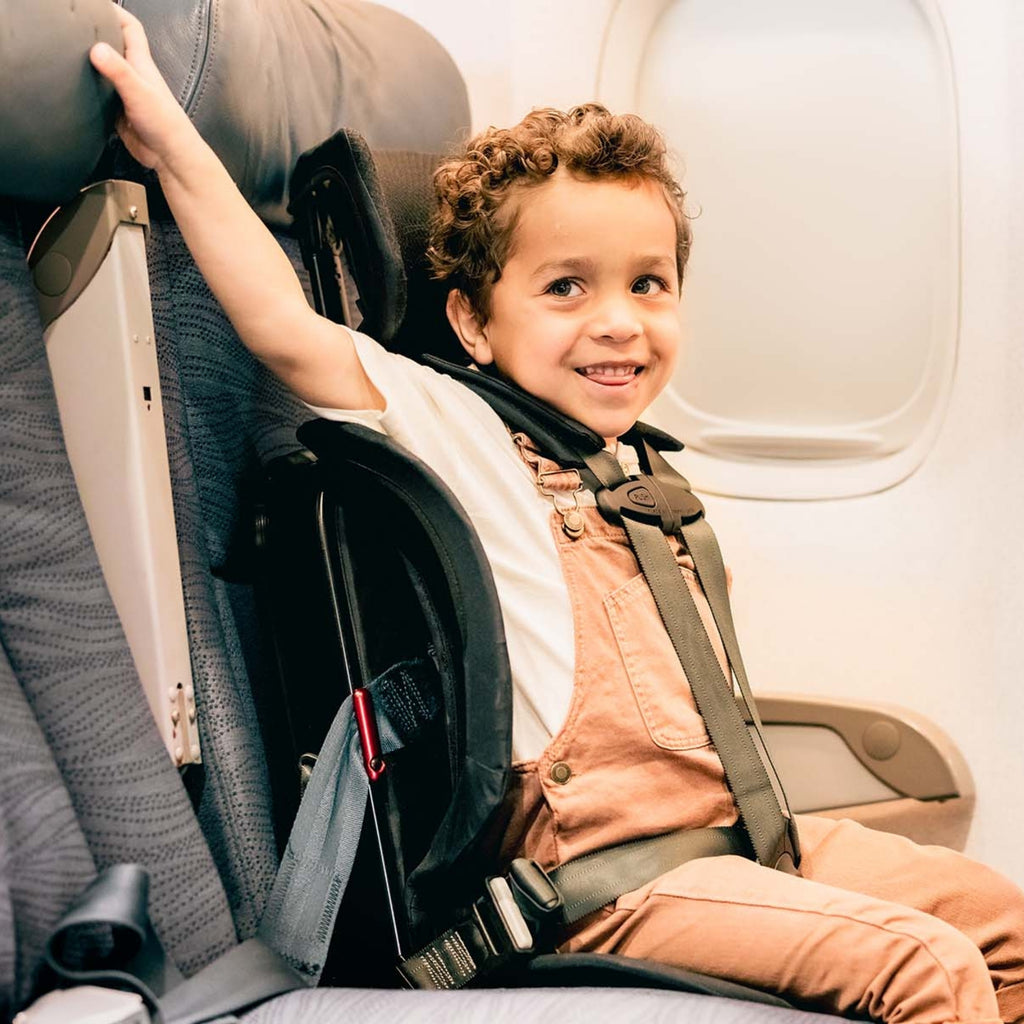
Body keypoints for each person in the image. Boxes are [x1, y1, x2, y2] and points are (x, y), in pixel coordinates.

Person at [90, 7, 1024, 1021]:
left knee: (1003, 921)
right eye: (566, 287)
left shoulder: (641, 466)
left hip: (739, 832)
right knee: (926, 968)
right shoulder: (459, 430)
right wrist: (174, 140)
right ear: (472, 323)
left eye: (648, 284)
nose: (619, 320)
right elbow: (281, 326)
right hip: (603, 875)